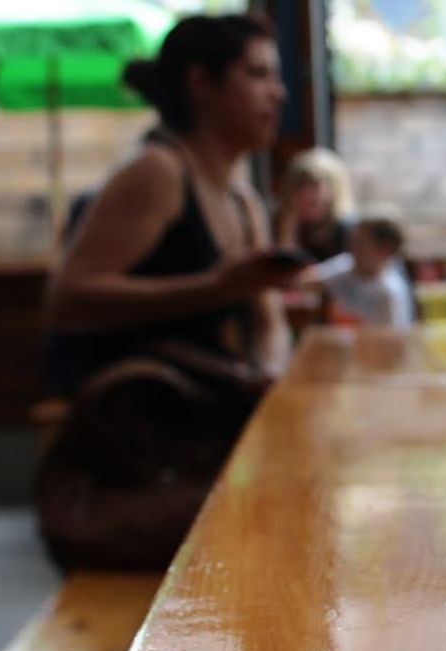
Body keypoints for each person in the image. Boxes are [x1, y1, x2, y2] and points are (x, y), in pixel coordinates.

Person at [39, 13, 298, 569]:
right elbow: (67, 298)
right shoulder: (157, 173)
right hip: (146, 456)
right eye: (257, 75)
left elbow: (267, 318)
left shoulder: (242, 197)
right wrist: (211, 287)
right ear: (201, 83)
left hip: (205, 440)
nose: (279, 93)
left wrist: (269, 373)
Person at [309, 215, 414, 329]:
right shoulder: (345, 265)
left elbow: (394, 338)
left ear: (384, 251)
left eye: (361, 244)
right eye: (353, 241)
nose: (352, 249)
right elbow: (307, 280)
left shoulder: (391, 292)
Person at [275, 147, 357, 261]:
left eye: (314, 186)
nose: (306, 194)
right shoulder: (294, 227)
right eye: (299, 186)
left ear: (335, 190)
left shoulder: (349, 230)